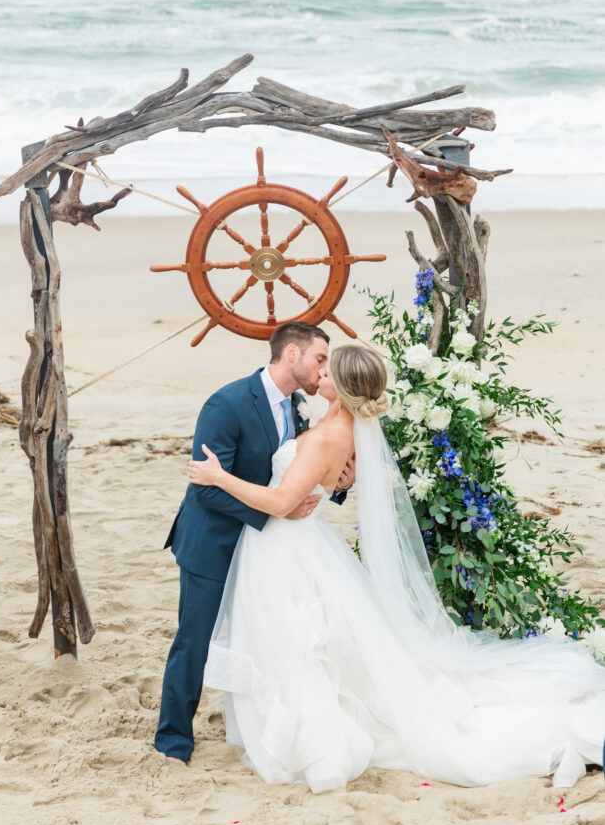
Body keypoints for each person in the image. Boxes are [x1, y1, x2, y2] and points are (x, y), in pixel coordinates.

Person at [189, 343, 605, 792]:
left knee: (295, 644)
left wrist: (219, 477)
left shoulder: (329, 436)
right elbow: (322, 481)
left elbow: (281, 502)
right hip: (298, 544)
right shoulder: (336, 427)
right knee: (298, 641)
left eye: (329, 367)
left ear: (343, 387)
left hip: (285, 546)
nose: (320, 371)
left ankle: (309, 736)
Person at [154, 322, 354, 763]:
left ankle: (260, 724)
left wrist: (339, 484)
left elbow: (300, 471)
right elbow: (204, 488)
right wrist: (275, 510)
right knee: (195, 640)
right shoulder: (227, 403)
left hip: (267, 552)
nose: (324, 370)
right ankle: (173, 741)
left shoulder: (298, 406)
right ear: (291, 356)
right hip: (213, 542)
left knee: (268, 639)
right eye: (320, 359)